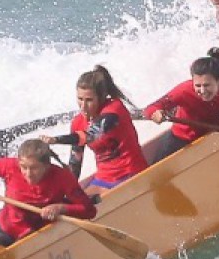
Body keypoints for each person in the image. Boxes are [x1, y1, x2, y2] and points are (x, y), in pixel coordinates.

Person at [142, 55, 219, 164]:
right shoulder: (184, 90)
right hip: (180, 140)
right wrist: (155, 113)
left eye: (207, 85)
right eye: (198, 86)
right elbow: (150, 108)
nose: (202, 91)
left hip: (215, 140)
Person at [44, 65, 149, 194]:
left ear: (101, 98)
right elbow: (75, 164)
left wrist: (56, 140)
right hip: (103, 178)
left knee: (87, 204)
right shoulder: (78, 123)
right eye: (80, 99)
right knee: (73, 201)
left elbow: (88, 136)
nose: (83, 106)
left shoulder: (114, 111)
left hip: (131, 173)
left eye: (89, 100)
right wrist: (67, 192)